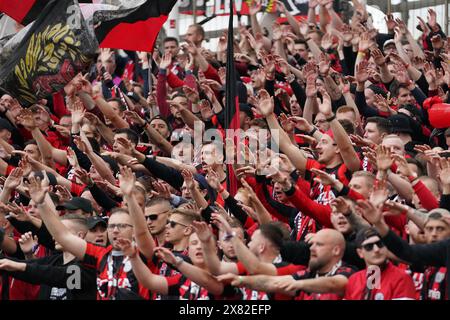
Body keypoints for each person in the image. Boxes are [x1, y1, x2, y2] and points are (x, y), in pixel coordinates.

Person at [344, 227, 416, 300]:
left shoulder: (402, 278)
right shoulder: (354, 280)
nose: (376, 249)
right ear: (360, 253)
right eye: (369, 246)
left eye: (380, 244)